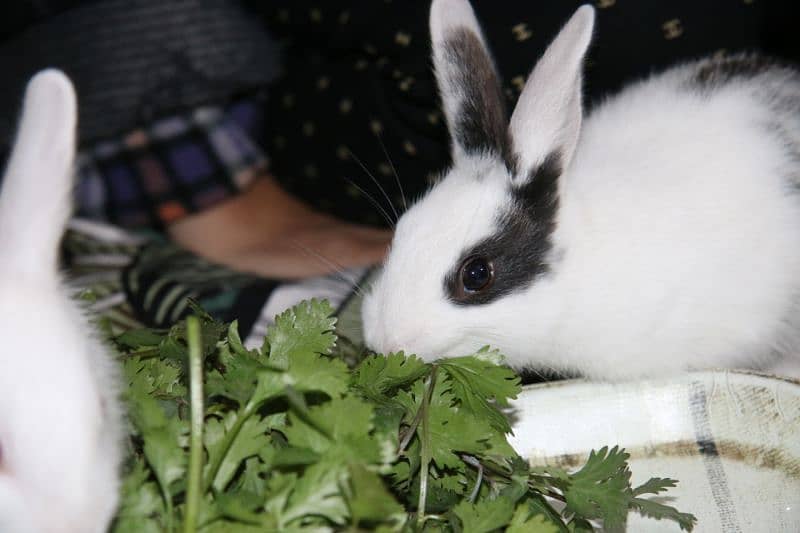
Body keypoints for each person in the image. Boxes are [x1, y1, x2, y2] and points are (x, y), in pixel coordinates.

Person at [0, 0, 797, 342]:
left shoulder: (635, 293)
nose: (388, 333)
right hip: (307, 101)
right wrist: (198, 174)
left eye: (475, 277)